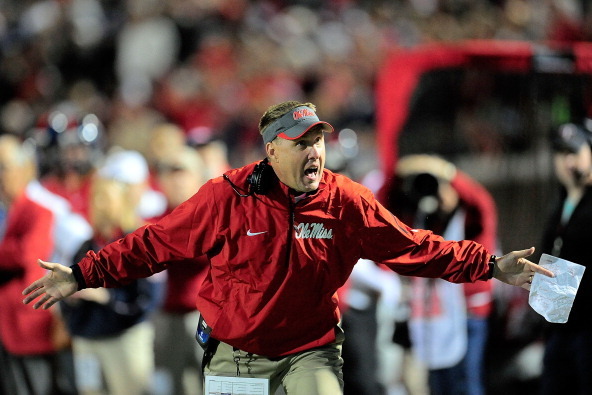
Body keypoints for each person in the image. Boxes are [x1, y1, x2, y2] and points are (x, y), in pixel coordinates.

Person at [23, 101, 554, 395]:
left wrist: (490, 264)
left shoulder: (346, 202)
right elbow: (153, 244)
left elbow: (414, 247)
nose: (314, 152)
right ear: (272, 149)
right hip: (239, 355)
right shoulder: (226, 197)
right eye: (301, 143)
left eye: (318, 140)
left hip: (311, 351)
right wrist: (80, 274)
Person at [382, 154, 499, 395]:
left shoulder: (472, 223)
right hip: (433, 320)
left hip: (468, 315)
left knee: (466, 385)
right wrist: (401, 175)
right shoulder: (423, 224)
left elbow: (482, 201)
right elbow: (384, 208)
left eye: (444, 188)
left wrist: (446, 173)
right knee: (437, 387)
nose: (439, 194)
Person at [59, 173, 163, 395]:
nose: (98, 204)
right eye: (95, 197)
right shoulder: (85, 246)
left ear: (123, 201)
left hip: (124, 339)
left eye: (105, 197)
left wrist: (107, 298)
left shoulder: (138, 242)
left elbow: (148, 299)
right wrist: (70, 297)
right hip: (87, 340)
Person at [0, 135, 76, 395]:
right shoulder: (8, 209)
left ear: (24, 169)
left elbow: (30, 261)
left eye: (3, 167)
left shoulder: (41, 210)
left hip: (29, 325)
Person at [149, 146, 210, 395]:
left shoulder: (210, 215)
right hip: (166, 312)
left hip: (204, 314)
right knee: (170, 383)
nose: (176, 180)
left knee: (210, 379)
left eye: (182, 172)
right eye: (170, 174)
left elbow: (197, 256)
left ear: (198, 177)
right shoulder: (156, 218)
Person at [538, 122, 592, 395]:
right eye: (560, 153)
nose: (568, 161)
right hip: (559, 324)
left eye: (574, 151)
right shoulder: (561, 203)